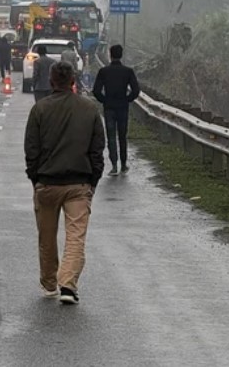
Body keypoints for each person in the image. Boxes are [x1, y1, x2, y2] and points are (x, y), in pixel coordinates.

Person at [24, 62, 105, 305]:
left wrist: (35, 178)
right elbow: (97, 150)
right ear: (73, 81)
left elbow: (31, 149)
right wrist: (93, 180)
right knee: (75, 237)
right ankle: (68, 284)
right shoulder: (89, 109)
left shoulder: (39, 110)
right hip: (79, 184)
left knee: (46, 237)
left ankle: (49, 283)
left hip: (47, 184)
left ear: (51, 81)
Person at [92, 44, 140, 176]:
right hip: (123, 107)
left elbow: (96, 91)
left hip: (109, 108)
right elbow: (136, 90)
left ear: (110, 55)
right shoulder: (128, 71)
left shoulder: (104, 71)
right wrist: (127, 99)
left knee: (111, 137)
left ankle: (114, 166)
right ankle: (124, 164)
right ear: (121, 55)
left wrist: (104, 100)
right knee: (122, 136)